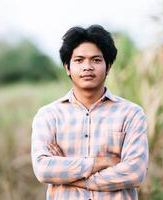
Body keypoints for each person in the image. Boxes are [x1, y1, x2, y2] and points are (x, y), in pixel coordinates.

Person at [31, 25, 149, 200]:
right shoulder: (48, 115)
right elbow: (43, 169)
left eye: (96, 60)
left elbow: (134, 172)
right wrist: (99, 163)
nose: (87, 67)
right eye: (79, 60)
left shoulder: (131, 114)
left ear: (108, 67)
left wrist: (70, 176)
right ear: (67, 68)